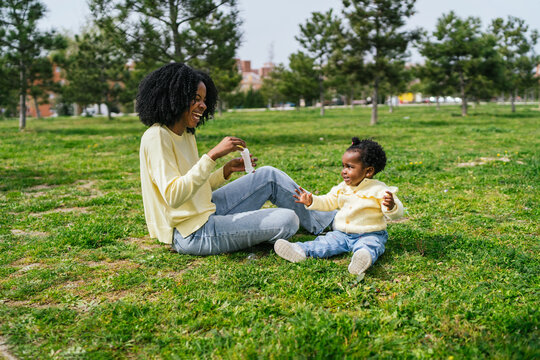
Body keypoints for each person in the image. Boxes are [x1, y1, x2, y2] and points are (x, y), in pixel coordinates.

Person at [137, 63, 335, 255]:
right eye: (196, 99)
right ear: (175, 97)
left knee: (269, 175)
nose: (203, 106)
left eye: (205, 100)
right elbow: (174, 196)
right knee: (288, 220)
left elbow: (195, 188)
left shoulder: (186, 134)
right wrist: (212, 155)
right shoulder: (157, 137)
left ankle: (326, 222)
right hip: (191, 233)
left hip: (207, 210)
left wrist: (225, 171)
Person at [274, 137, 404, 275]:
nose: (344, 171)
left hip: (370, 233)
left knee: (370, 245)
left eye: (350, 167)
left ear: (368, 171)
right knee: (325, 243)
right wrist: (312, 201)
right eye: (343, 166)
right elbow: (328, 201)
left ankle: (362, 258)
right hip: (341, 234)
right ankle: (299, 250)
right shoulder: (342, 188)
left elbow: (397, 213)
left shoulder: (379, 189)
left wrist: (391, 207)